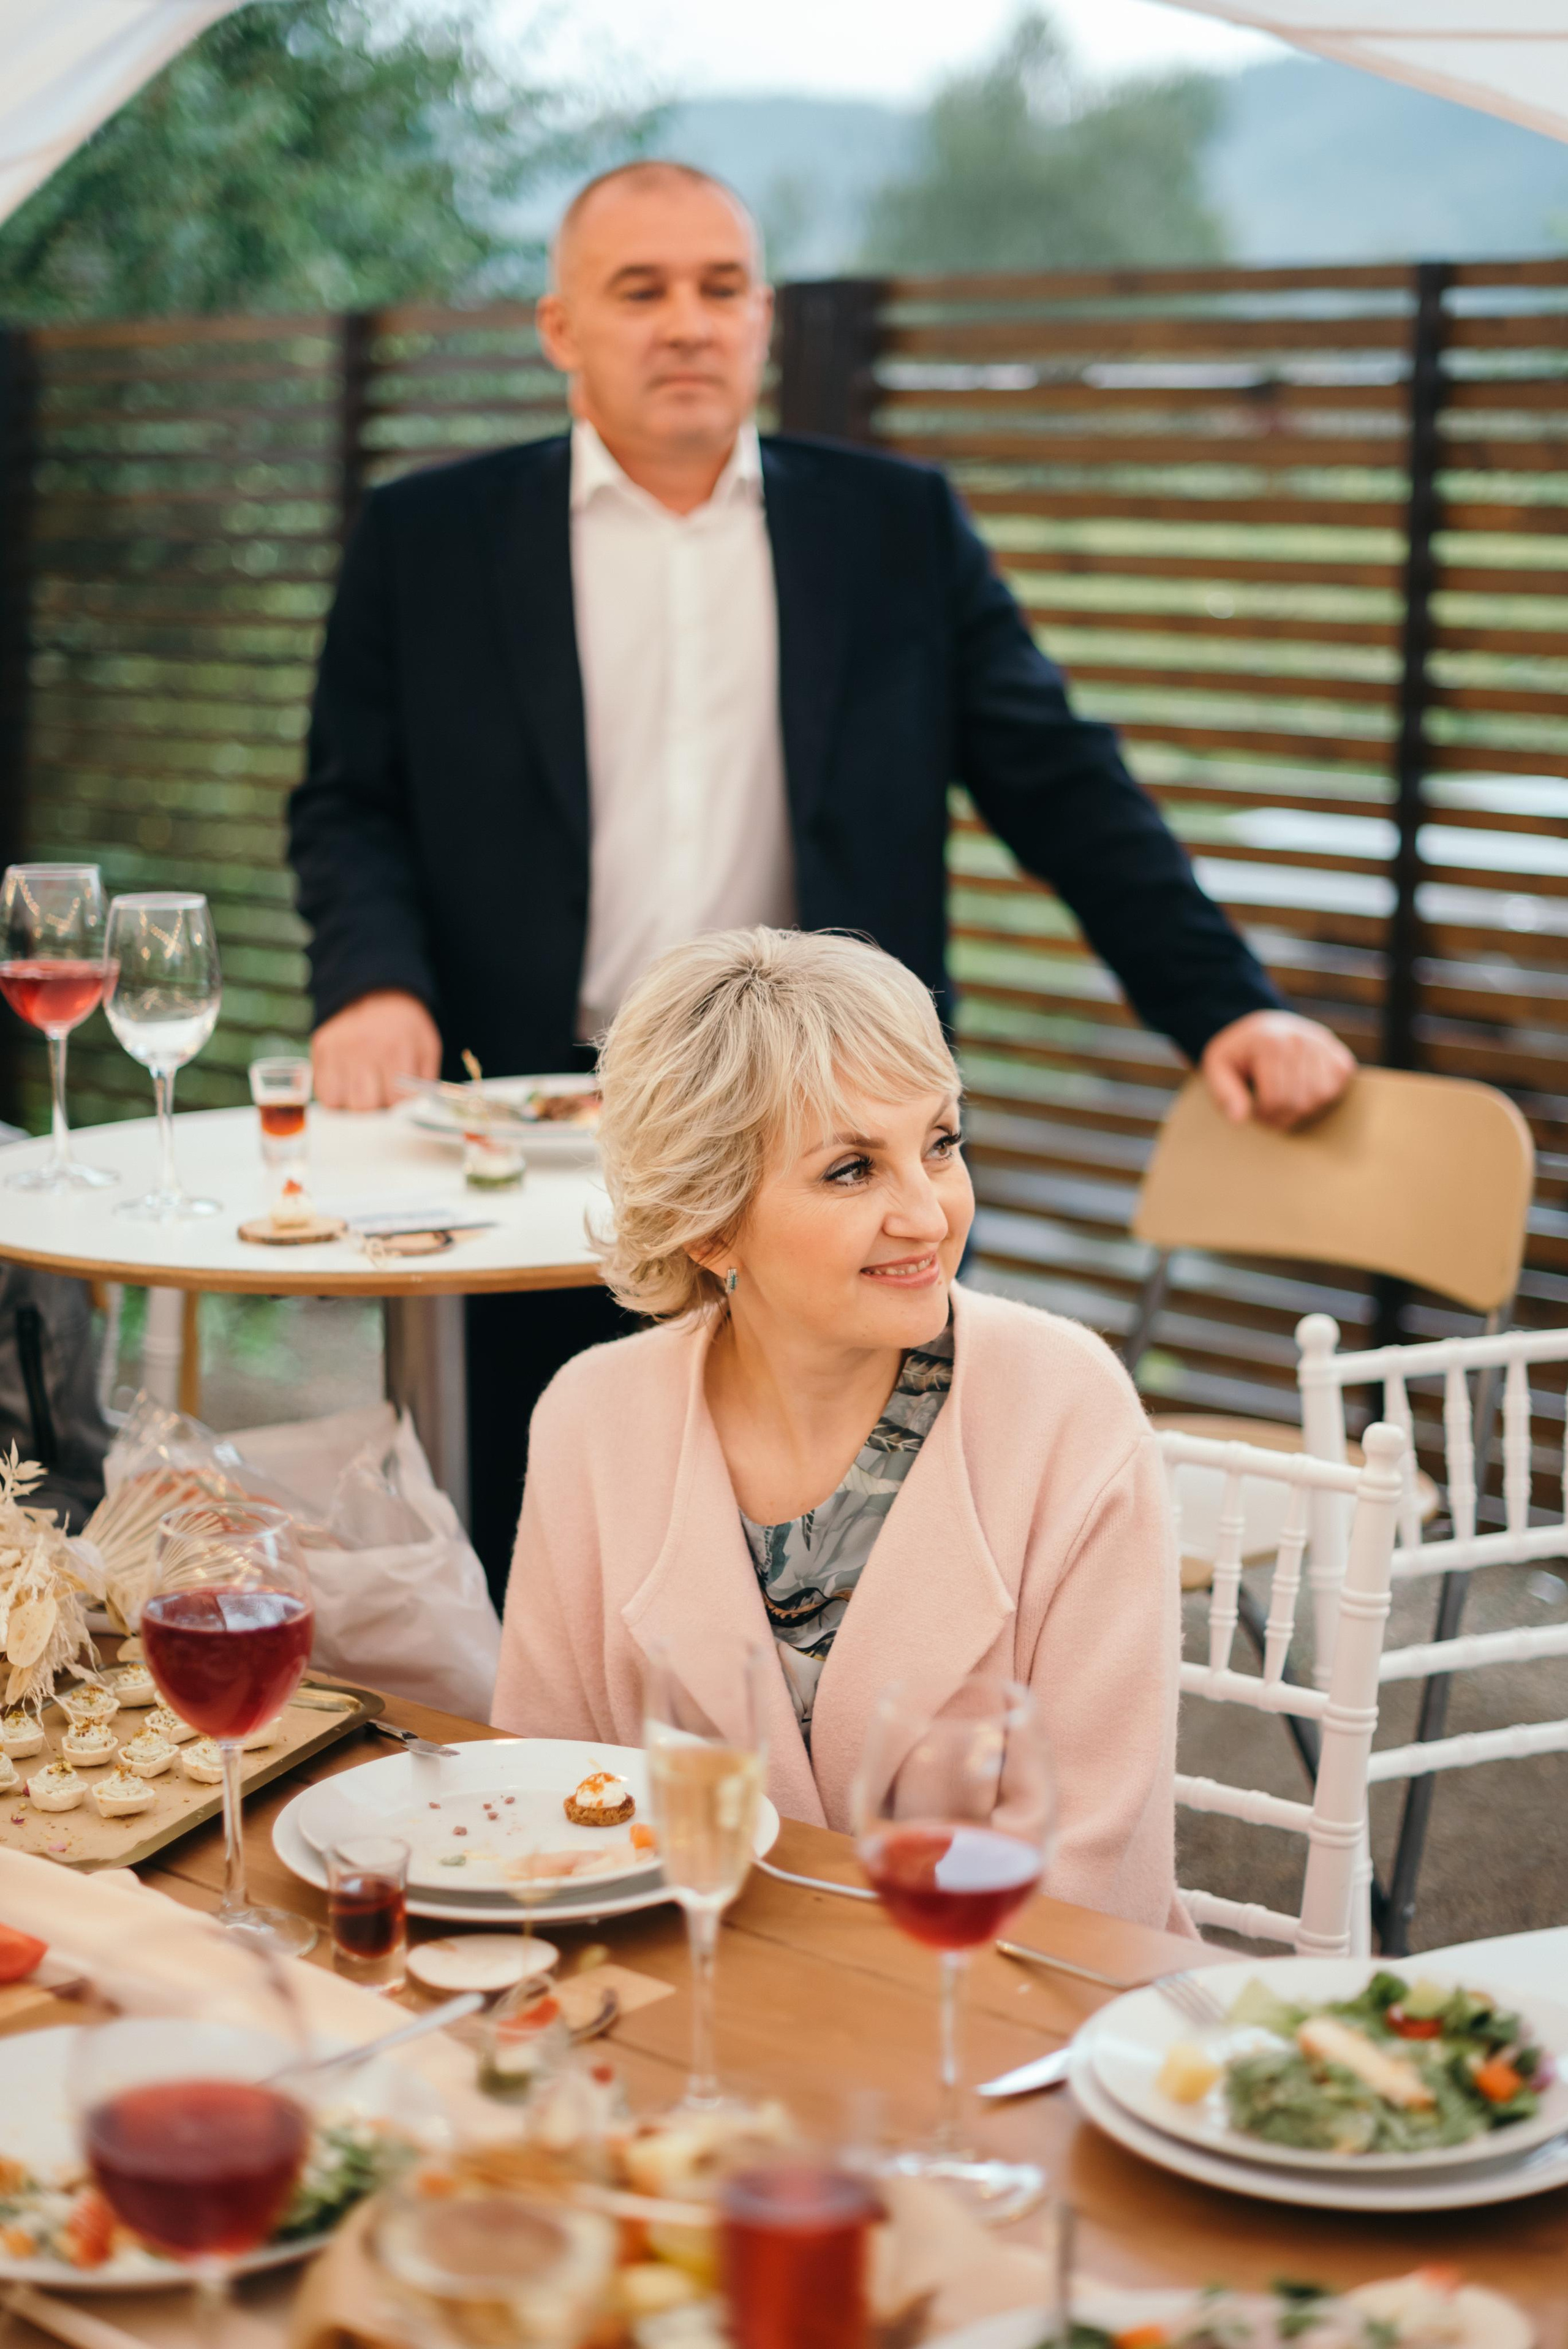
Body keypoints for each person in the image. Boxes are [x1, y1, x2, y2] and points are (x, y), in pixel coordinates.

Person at [288, 159, 1353, 1591]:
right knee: (536, 1532)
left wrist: (1225, 1007)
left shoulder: (892, 530)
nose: (685, 322)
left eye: (720, 289)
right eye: (640, 289)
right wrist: (372, 982)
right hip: (529, 1122)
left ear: (764, 320)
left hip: (832, 1128)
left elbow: (1061, 784)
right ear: (558, 328)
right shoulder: (426, 538)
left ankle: (826, 1816)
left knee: (861, 1555)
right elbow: (350, 803)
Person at [491, 928, 1188, 1932]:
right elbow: (556, 1808)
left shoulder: (1067, 1409)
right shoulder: (589, 1421)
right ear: (710, 1223)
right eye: (854, 1170)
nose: (931, 1214)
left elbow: (1094, 1889)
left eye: (940, 1144)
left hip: (1010, 2028)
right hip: (685, 2022)